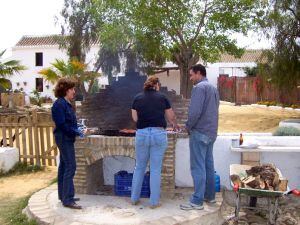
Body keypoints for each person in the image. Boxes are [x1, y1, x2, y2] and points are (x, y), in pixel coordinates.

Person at [131, 75, 179, 209]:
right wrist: (174, 124)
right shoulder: (162, 97)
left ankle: (134, 199)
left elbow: (135, 118)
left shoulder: (137, 98)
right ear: (156, 85)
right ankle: (154, 202)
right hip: (158, 134)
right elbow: (171, 116)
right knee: (155, 169)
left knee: (139, 167)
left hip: (142, 134)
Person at [180, 64, 220, 210]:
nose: (191, 78)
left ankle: (196, 201)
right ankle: (210, 197)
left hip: (200, 133)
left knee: (197, 167)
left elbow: (194, 112)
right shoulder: (213, 88)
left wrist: (188, 126)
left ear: (198, 73)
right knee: (208, 166)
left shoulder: (199, 88)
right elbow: (215, 109)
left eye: (191, 75)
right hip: (211, 133)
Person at [51, 78, 86, 209]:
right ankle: (68, 199)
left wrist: (80, 129)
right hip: (63, 138)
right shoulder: (59, 104)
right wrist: (76, 132)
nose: (74, 91)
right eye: (72, 89)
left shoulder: (66, 103)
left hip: (66, 137)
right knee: (71, 166)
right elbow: (62, 125)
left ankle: (63, 195)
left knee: (64, 166)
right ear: (66, 90)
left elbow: (70, 122)